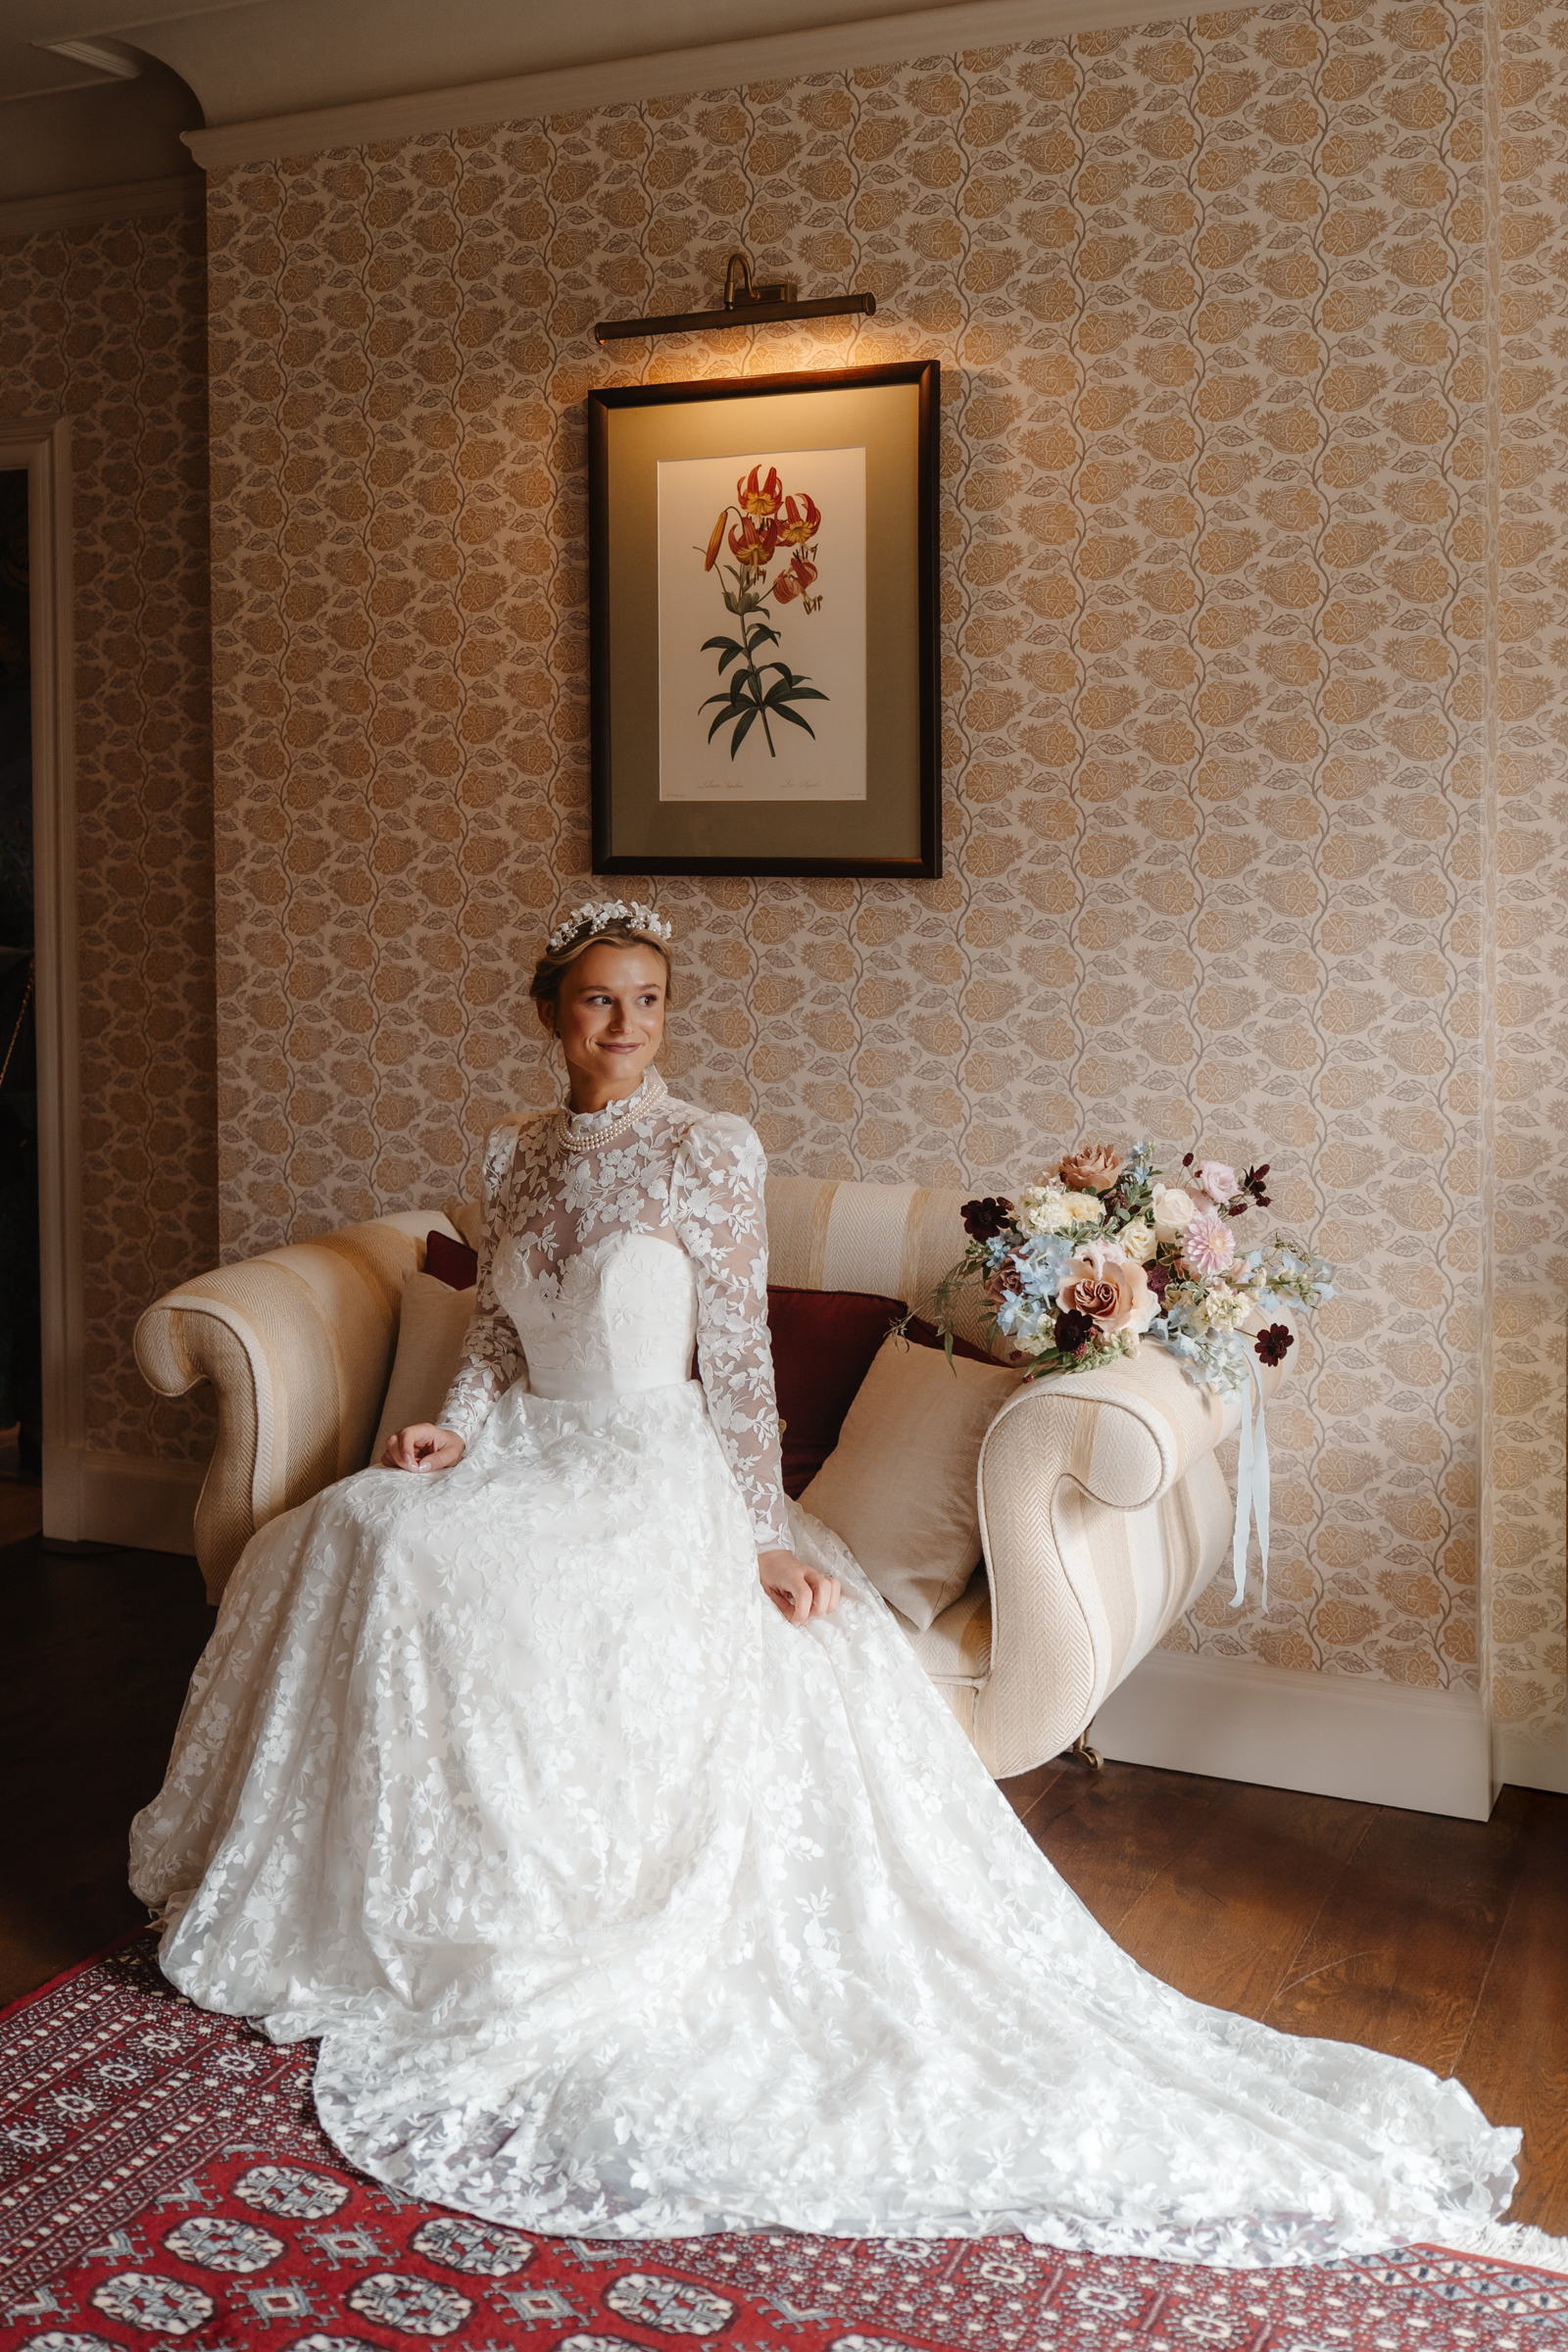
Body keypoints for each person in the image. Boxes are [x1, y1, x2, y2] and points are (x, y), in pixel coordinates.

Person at [130, 903, 1518, 2267]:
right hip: (524, 1447)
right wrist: (453, 1428)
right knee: (366, 1525)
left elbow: (736, 1359)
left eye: (648, 1002)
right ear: (551, 1013)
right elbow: (498, 1326)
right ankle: (389, 1910)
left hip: (645, 1470)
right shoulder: (511, 1151)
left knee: (475, 1577)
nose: (625, 1026)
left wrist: (762, 1538)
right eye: (599, 1001)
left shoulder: (706, 1148)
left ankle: (514, 1924)